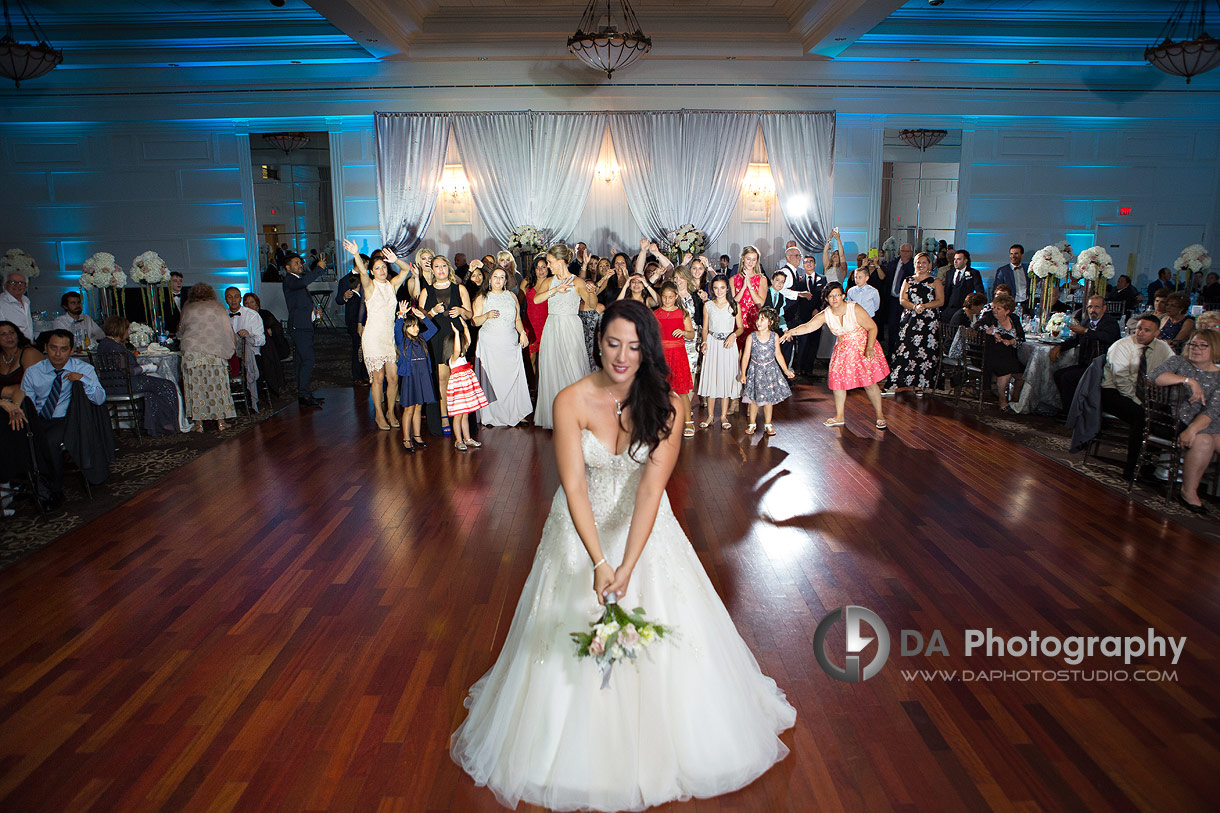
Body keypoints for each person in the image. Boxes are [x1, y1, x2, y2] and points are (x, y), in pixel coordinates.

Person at [450, 299, 796, 811]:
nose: (622, 355)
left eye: (634, 346)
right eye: (613, 343)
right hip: (578, 530)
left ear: (648, 350)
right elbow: (573, 487)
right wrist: (598, 562)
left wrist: (628, 565)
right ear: (598, 343)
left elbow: (652, 489)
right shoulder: (570, 400)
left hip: (645, 529)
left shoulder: (670, 405)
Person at [783, 283, 888, 430]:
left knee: (869, 383)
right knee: (838, 383)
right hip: (843, 350)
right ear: (827, 298)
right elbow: (808, 326)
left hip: (862, 347)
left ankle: (880, 415)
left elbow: (872, 327)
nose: (835, 299)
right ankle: (839, 416)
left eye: (837, 295)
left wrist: (869, 347)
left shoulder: (854, 308)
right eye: (831, 296)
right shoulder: (826, 314)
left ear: (843, 296)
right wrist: (790, 332)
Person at [20, 329, 107, 507]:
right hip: (39, 418)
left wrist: (82, 380)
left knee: (50, 442)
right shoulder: (33, 372)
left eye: (63, 349)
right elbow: (26, 402)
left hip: (67, 418)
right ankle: (26, 484)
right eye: (53, 348)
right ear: (45, 348)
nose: (58, 354)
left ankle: (54, 490)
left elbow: (99, 399)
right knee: (22, 438)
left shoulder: (83, 369)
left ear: (71, 350)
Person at [343, 240, 413, 431]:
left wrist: (396, 260)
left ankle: (390, 412)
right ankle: (379, 415)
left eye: (384, 267)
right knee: (378, 378)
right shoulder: (369, 286)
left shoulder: (392, 285)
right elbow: (363, 273)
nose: (381, 270)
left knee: (393, 378)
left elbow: (406, 270)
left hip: (388, 338)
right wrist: (356, 254)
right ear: (372, 271)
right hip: (373, 337)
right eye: (378, 268)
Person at [1151, 329, 1220, 514]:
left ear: (1214, 348)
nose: (1196, 349)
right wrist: (1189, 381)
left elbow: (1213, 409)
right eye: (1193, 344)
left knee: (1209, 436)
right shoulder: (1179, 362)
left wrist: (1193, 430)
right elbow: (1154, 377)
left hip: (1209, 421)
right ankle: (1189, 492)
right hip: (1178, 419)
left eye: (1203, 345)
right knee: (1204, 440)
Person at [1100, 313, 1174, 482]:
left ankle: (1150, 465)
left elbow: (1175, 366)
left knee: (1164, 415)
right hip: (1115, 393)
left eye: (1147, 330)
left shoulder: (1162, 348)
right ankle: (1132, 469)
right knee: (1142, 417)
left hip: (1147, 395)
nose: (1140, 333)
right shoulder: (1122, 346)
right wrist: (1141, 403)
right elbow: (1122, 382)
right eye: (1139, 328)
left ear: (1156, 333)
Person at [534, 245, 596, 429]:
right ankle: (556, 416)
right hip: (552, 326)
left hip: (570, 326)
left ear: (560, 261)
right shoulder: (548, 281)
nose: (548, 266)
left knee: (573, 367)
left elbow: (591, 305)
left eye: (550, 262)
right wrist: (555, 290)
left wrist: (591, 291)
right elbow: (537, 299)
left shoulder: (577, 281)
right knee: (552, 369)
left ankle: (576, 415)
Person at [94, 315, 181, 436]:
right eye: (126, 329)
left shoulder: (103, 345)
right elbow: (128, 371)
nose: (128, 332)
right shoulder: (116, 347)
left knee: (152, 391)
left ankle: (155, 425)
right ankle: (166, 424)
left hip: (109, 385)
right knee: (167, 385)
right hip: (126, 385)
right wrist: (147, 368)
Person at [418, 255, 473, 435]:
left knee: (458, 379)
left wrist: (462, 311)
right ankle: (443, 415)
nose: (440, 269)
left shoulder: (460, 288)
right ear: (432, 270)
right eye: (437, 266)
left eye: (443, 266)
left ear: (448, 268)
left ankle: (459, 415)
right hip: (437, 337)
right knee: (442, 379)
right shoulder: (426, 291)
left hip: (456, 336)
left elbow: (470, 315)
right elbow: (421, 321)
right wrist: (433, 311)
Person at [473, 266, 532, 427]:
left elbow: (517, 319)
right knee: (493, 379)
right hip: (490, 344)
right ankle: (492, 415)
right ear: (490, 280)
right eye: (495, 277)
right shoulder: (482, 297)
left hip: (510, 342)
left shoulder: (511, 296)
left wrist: (523, 333)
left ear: (506, 281)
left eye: (501, 277)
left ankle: (516, 413)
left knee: (513, 378)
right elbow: (474, 321)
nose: (498, 280)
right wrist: (486, 315)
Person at [178, 283, 237, 432]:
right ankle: (221, 422)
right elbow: (226, 329)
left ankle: (198, 424)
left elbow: (180, 330)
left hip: (192, 352)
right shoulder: (217, 307)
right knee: (218, 386)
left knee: (195, 388)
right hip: (214, 350)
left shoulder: (188, 308)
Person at [886, 251, 943, 396]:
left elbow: (940, 301)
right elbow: (902, 300)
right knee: (904, 350)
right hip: (910, 319)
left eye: (924, 262)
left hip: (928, 322)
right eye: (918, 262)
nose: (921, 265)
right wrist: (914, 307)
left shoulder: (935, 281)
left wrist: (924, 306)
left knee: (924, 353)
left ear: (929, 265)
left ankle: (920, 385)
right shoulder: (908, 280)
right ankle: (894, 384)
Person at [1050, 295, 1121, 408]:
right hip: (1086, 364)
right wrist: (1060, 347)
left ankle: (1072, 411)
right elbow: (1075, 339)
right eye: (1090, 307)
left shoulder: (1110, 323)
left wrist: (1086, 331)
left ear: (1104, 308)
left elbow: (1107, 337)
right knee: (1058, 374)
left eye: (1097, 307)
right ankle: (1070, 409)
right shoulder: (1087, 320)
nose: (1093, 310)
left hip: (1102, 367)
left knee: (1067, 378)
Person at [738, 307, 794, 436]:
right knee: (753, 400)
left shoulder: (774, 337)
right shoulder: (751, 337)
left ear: (771, 322)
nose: (758, 322)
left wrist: (786, 370)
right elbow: (746, 356)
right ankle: (752, 424)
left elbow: (778, 355)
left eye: (762, 319)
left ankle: (768, 424)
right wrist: (743, 373)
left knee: (768, 400)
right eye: (758, 319)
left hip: (769, 370)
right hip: (755, 371)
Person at [697, 276, 743, 430]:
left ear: (727, 289)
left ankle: (723, 416)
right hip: (712, 343)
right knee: (711, 378)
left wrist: (733, 335)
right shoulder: (708, 305)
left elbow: (740, 327)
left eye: (722, 287)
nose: (719, 291)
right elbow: (705, 328)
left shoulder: (734, 305)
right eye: (715, 288)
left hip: (728, 346)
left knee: (725, 379)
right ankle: (710, 415)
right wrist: (704, 342)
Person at [283, 251, 327, 408]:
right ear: (288, 268)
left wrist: (314, 314)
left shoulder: (296, 280)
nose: (300, 265)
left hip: (304, 325)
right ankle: (304, 395)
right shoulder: (290, 280)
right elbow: (302, 283)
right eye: (296, 263)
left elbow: (301, 304)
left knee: (303, 361)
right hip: (299, 327)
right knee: (308, 360)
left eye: (300, 262)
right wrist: (319, 269)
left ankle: (304, 394)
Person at [654, 281, 696, 437]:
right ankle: (663, 421)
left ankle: (689, 423)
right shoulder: (656, 313)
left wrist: (684, 332)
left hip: (678, 354)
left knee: (682, 391)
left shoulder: (682, 313)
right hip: (662, 355)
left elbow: (692, 334)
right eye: (664, 297)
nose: (666, 300)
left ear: (676, 296)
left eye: (670, 297)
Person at [394, 304, 437, 453]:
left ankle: (417, 436)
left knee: (419, 407)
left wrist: (423, 317)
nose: (416, 329)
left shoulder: (422, 339)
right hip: (410, 379)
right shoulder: (403, 342)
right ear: (406, 329)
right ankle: (406, 438)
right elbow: (396, 332)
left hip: (423, 377)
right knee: (409, 409)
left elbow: (433, 329)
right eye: (412, 327)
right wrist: (401, 316)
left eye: (417, 326)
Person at [975, 293, 1026, 411]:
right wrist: (993, 333)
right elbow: (977, 326)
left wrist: (1012, 341)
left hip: (1010, 355)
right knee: (1006, 369)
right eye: (994, 307)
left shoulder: (1014, 319)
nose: (995, 310)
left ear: (1007, 311)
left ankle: (1014, 399)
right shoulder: (989, 317)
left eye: (999, 308)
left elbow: (1022, 338)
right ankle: (1002, 399)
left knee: (1023, 375)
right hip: (992, 354)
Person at [446, 320, 488, 451]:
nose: (465, 345)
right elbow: (458, 349)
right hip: (458, 389)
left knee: (465, 414)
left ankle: (467, 438)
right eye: (461, 343)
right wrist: (457, 333)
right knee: (458, 415)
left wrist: (465, 327)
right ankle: (458, 440)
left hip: (466, 387)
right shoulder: (453, 357)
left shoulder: (462, 355)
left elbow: (468, 341)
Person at [224, 286, 266, 412]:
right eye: (230, 297)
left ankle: (251, 400)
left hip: (251, 356)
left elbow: (262, 340)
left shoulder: (252, 315)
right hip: (228, 356)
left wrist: (249, 335)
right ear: (226, 299)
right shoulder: (223, 316)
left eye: (236, 296)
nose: (233, 300)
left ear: (240, 298)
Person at [242, 293, 287, 396]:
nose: (250, 305)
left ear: (257, 303)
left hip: (269, 348)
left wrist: (268, 332)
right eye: (247, 303)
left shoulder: (264, 314)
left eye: (252, 302)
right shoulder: (243, 318)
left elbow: (276, 329)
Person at [335, 256, 368, 386]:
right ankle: (357, 376)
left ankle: (366, 374)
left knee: (366, 348)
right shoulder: (345, 280)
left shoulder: (367, 278)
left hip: (367, 318)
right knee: (357, 348)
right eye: (366, 265)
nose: (367, 268)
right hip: (353, 319)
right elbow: (338, 300)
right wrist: (344, 296)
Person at [731, 246, 768, 351]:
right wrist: (743, 288)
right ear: (743, 258)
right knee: (737, 354)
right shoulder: (733, 279)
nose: (751, 262)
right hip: (737, 322)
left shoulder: (761, 279)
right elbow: (733, 304)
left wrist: (750, 286)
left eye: (754, 259)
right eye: (748, 258)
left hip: (754, 322)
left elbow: (760, 304)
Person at [941, 249, 985, 322]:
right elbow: (946, 291)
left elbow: (979, 291)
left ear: (965, 261)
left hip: (965, 309)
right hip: (949, 308)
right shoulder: (949, 273)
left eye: (958, 259)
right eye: (954, 259)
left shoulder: (973, 273)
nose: (955, 261)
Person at [523, 256, 550, 375]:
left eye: (543, 267)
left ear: (548, 268)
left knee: (547, 360)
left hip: (547, 324)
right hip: (530, 323)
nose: (541, 270)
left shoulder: (553, 282)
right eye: (537, 267)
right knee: (531, 359)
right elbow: (518, 303)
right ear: (534, 270)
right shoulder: (527, 282)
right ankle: (534, 389)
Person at [0, 320, 44, 392]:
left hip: (29, 400)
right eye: (3, 334)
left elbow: (32, 386)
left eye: (12, 333)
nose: (9, 337)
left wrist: (4, 391)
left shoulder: (29, 353)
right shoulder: (1, 355)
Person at [993, 244, 1029, 309]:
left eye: (1016, 253)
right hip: (1010, 305)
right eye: (1011, 253)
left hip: (1027, 304)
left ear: (1022, 255)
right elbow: (997, 289)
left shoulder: (1028, 269)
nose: (1013, 256)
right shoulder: (1002, 271)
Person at [0, 272, 33, 341]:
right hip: (11, 347)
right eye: (12, 282)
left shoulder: (26, 300)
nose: (17, 285)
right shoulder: (1, 303)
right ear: (5, 285)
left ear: (26, 286)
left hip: (27, 345)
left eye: (21, 282)